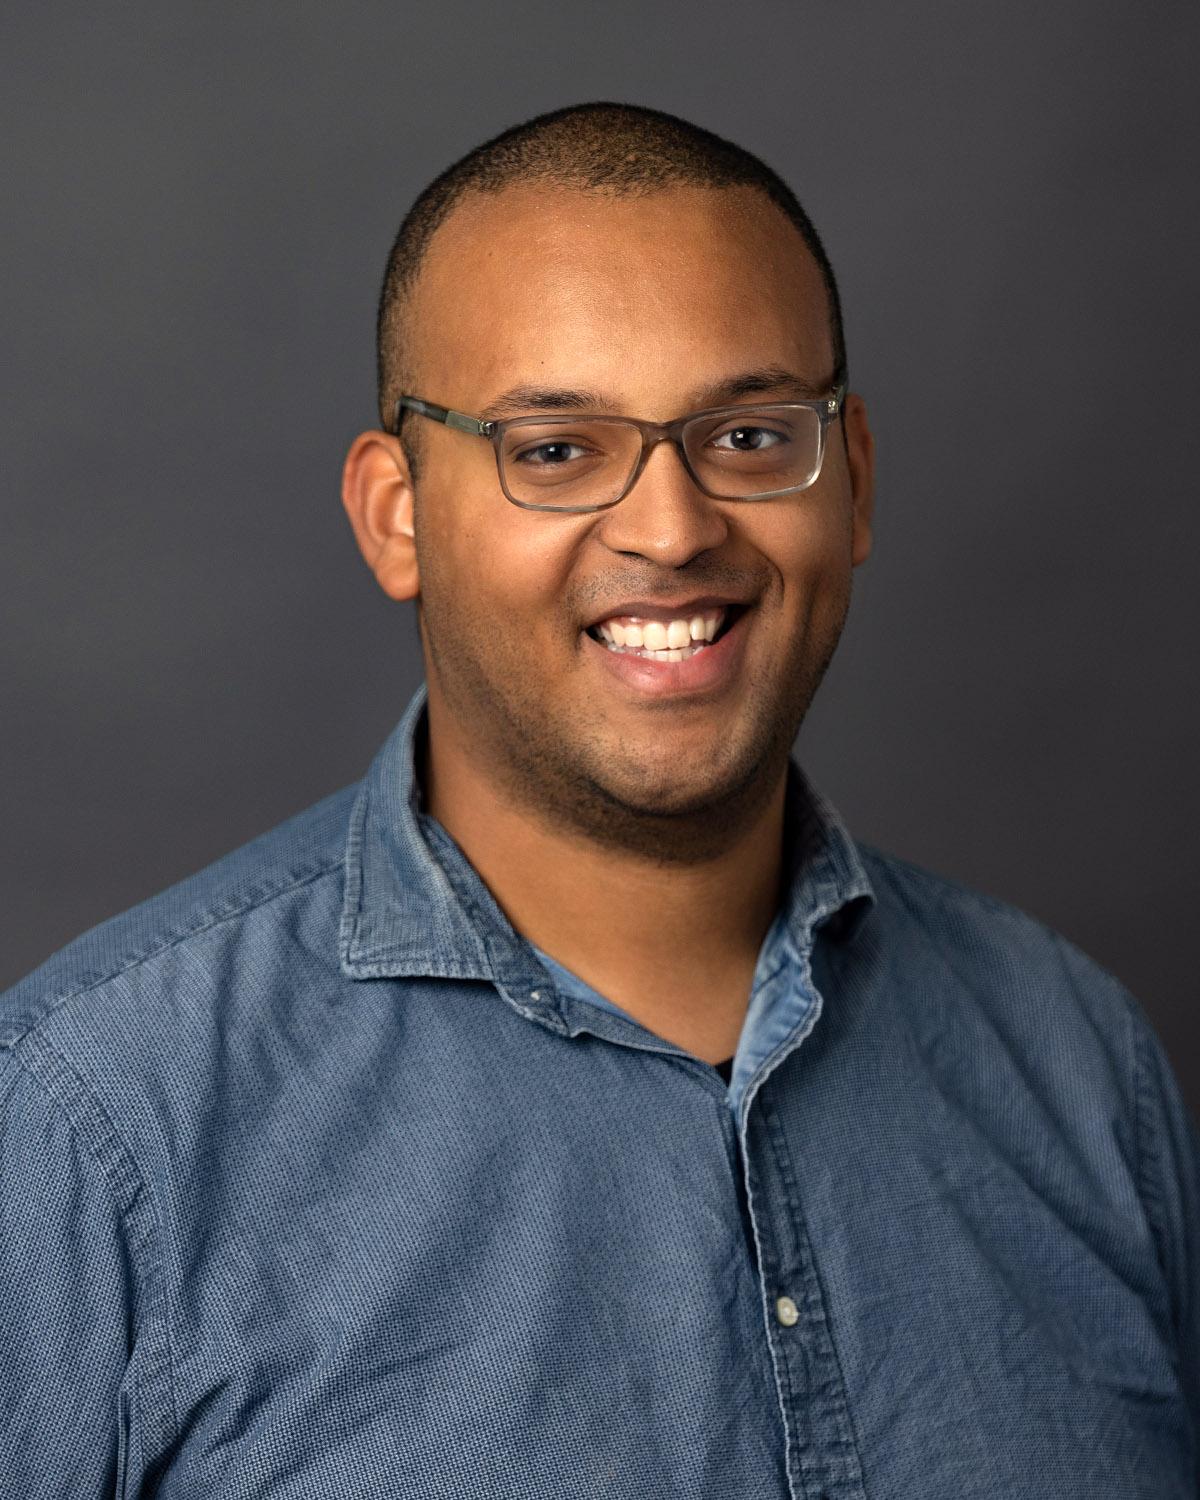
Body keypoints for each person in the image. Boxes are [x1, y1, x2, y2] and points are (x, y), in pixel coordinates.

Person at [1, 101, 1196, 1499]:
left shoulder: (1077, 1066)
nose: (675, 527)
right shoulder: (92, 1127)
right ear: (397, 515)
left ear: (851, 480)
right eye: (554, 449)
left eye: (749, 434)